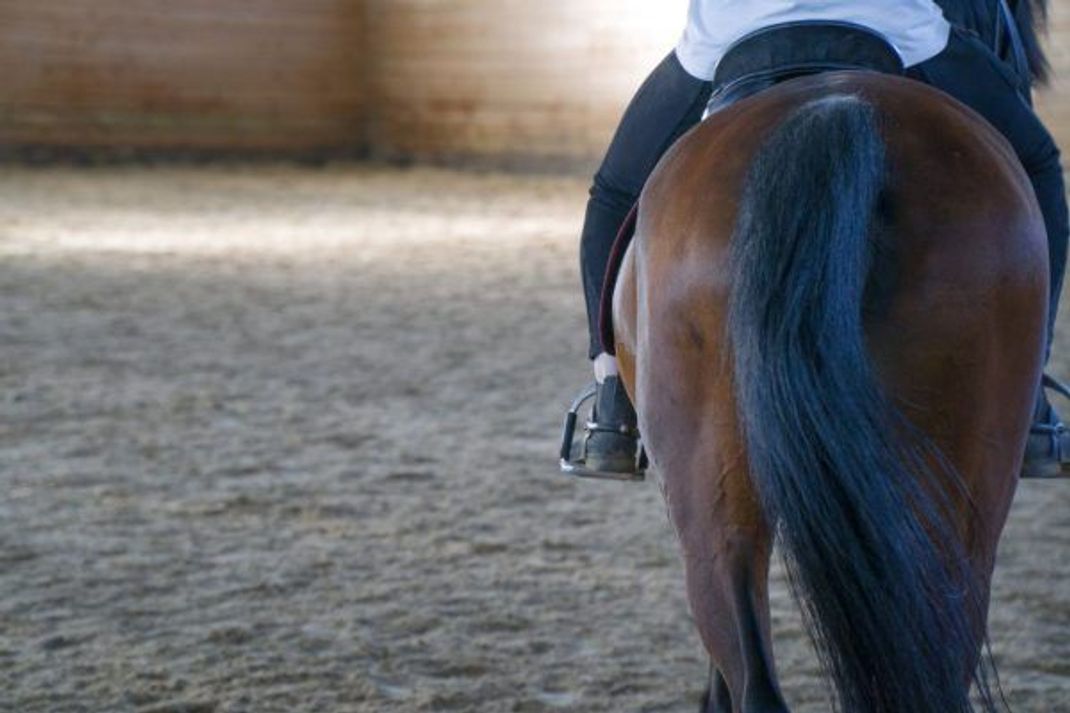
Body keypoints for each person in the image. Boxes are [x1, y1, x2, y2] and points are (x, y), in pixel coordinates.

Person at [567, 0, 1070, 479]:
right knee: (1038, 167)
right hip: (896, 26)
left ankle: (612, 403)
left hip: (731, 32)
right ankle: (1028, 397)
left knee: (614, 195)